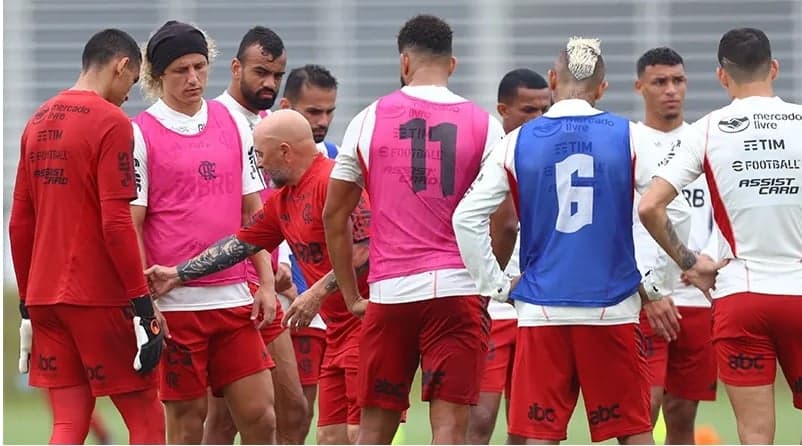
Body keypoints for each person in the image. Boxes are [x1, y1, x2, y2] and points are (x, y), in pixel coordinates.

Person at [452, 36, 682, 444]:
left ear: (553, 80)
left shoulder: (516, 141)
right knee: (633, 431)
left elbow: (466, 217)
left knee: (540, 434)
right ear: (603, 87)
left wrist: (497, 286)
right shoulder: (630, 136)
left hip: (542, 310)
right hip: (611, 308)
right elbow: (670, 208)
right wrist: (653, 283)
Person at [324, 14, 505, 444]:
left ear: (404, 62)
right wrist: (486, 283)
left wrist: (351, 296)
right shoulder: (485, 125)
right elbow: (506, 218)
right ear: (452, 65)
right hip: (457, 292)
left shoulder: (368, 119)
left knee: (373, 429)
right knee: (449, 431)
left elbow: (334, 213)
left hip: (390, 294)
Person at [146, 109, 371, 445]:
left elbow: (365, 251)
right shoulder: (284, 200)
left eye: (261, 154)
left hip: (368, 327)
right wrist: (177, 275)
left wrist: (316, 293)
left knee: (363, 434)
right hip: (338, 332)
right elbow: (239, 244)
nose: (259, 165)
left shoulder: (335, 182)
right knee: (329, 438)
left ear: (285, 151)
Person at [638, 28, 802, 444]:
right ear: (775, 68)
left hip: (742, 297)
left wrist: (690, 263)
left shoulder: (707, 130)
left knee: (754, 433)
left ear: (721, 76)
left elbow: (649, 207)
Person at [9, 28, 165, 444]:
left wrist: (28, 303)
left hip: (45, 298)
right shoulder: (112, 122)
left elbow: (18, 223)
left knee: (68, 423)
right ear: (122, 66)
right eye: (132, 83)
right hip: (96, 295)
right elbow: (116, 221)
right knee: (147, 418)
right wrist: (141, 304)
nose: (129, 95)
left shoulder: (37, 120)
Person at [131, 20, 276, 444]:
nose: (193, 78)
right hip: (175, 308)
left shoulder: (233, 124)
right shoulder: (140, 132)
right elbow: (132, 224)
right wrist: (144, 305)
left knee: (261, 416)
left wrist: (264, 282)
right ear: (157, 76)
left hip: (234, 300)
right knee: (187, 424)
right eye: (180, 70)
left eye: (199, 66)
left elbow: (255, 212)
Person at [213, 25, 311, 445]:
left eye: (277, 74)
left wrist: (282, 263)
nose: (269, 83)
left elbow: (280, 203)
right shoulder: (213, 120)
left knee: (291, 406)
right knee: (229, 417)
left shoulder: (274, 126)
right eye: (260, 72)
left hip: (267, 285)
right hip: (228, 287)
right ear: (236, 68)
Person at [631, 47, 717, 444]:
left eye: (678, 81)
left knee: (682, 416)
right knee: (642, 410)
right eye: (660, 82)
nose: (671, 90)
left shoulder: (707, 140)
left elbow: (725, 214)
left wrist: (710, 261)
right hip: (646, 297)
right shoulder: (628, 144)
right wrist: (644, 286)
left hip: (698, 298)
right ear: (639, 87)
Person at [467, 67, 550, 445]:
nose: (538, 119)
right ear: (503, 110)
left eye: (544, 110)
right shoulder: (485, 159)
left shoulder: (555, 161)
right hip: (493, 305)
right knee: (480, 419)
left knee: (528, 424)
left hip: (536, 307)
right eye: (528, 110)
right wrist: (490, 286)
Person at [277, 63, 341, 439]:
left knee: (302, 413)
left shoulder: (334, 157)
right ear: (287, 107)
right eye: (313, 111)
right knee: (257, 412)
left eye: (329, 111)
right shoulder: (268, 159)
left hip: (315, 305)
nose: (323, 120)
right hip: (277, 297)